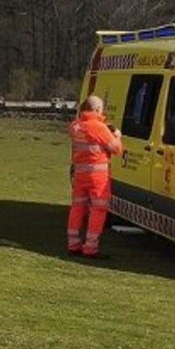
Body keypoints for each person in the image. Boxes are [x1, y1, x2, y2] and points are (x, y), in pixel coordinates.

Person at [68, 95, 123, 258]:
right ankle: (91, 248)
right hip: (97, 176)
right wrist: (117, 135)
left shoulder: (75, 126)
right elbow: (116, 149)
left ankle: (73, 244)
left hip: (80, 174)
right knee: (98, 210)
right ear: (98, 109)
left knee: (77, 208)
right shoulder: (98, 128)